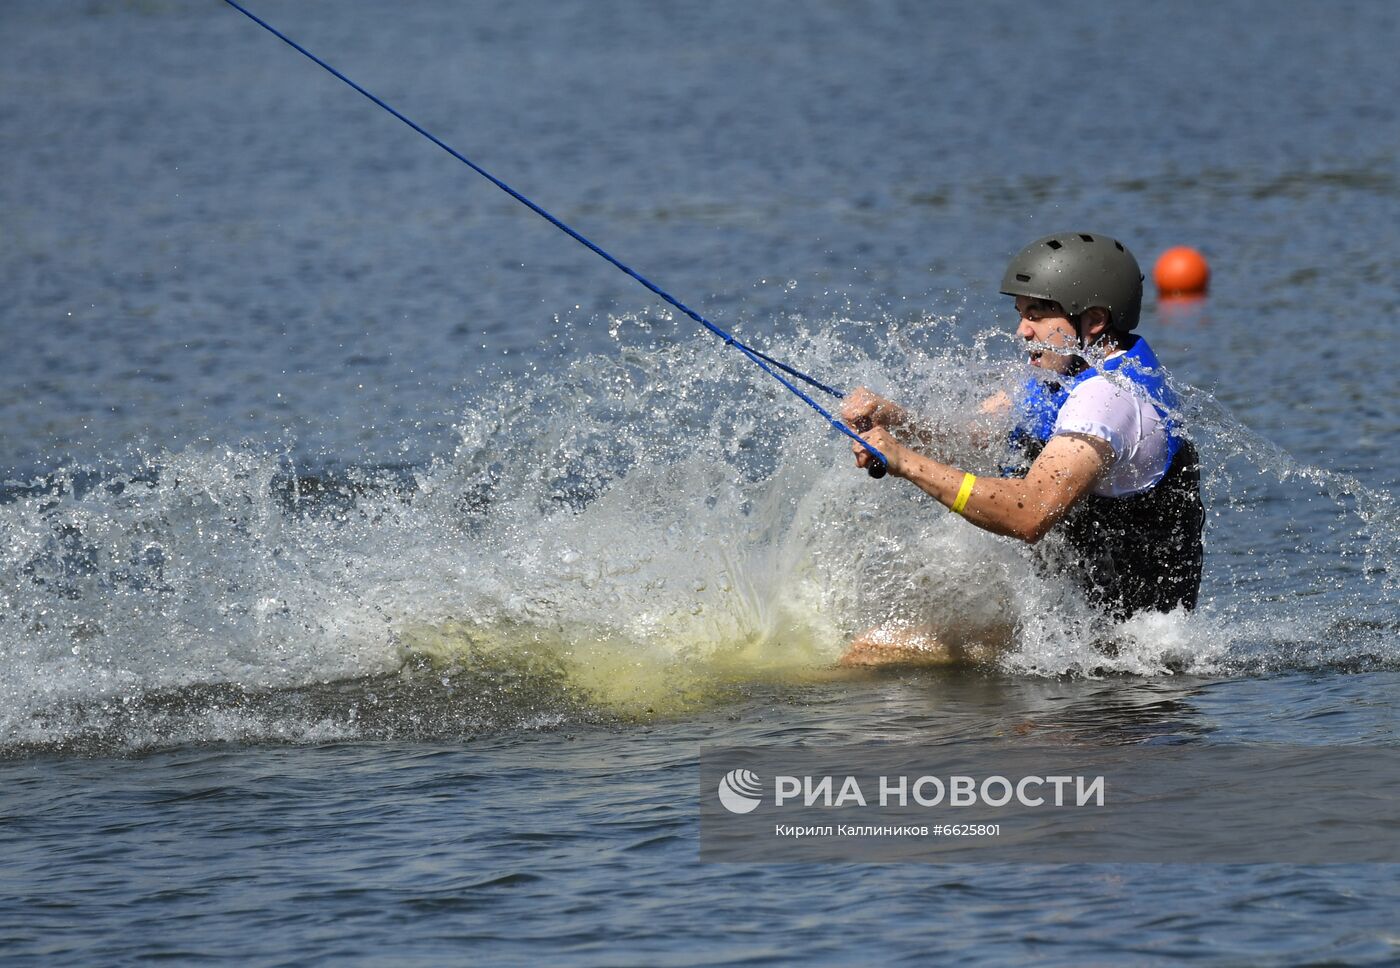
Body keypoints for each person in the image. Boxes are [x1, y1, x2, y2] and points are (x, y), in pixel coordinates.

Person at [840, 232, 1204, 666]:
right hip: (1073, 628)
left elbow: (1029, 513)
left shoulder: (1107, 401)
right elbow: (976, 432)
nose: (1021, 330)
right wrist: (896, 419)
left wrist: (902, 461)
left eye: (1037, 313)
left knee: (874, 652)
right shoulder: (1072, 370)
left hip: (1123, 659)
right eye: (1020, 313)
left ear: (1096, 320)